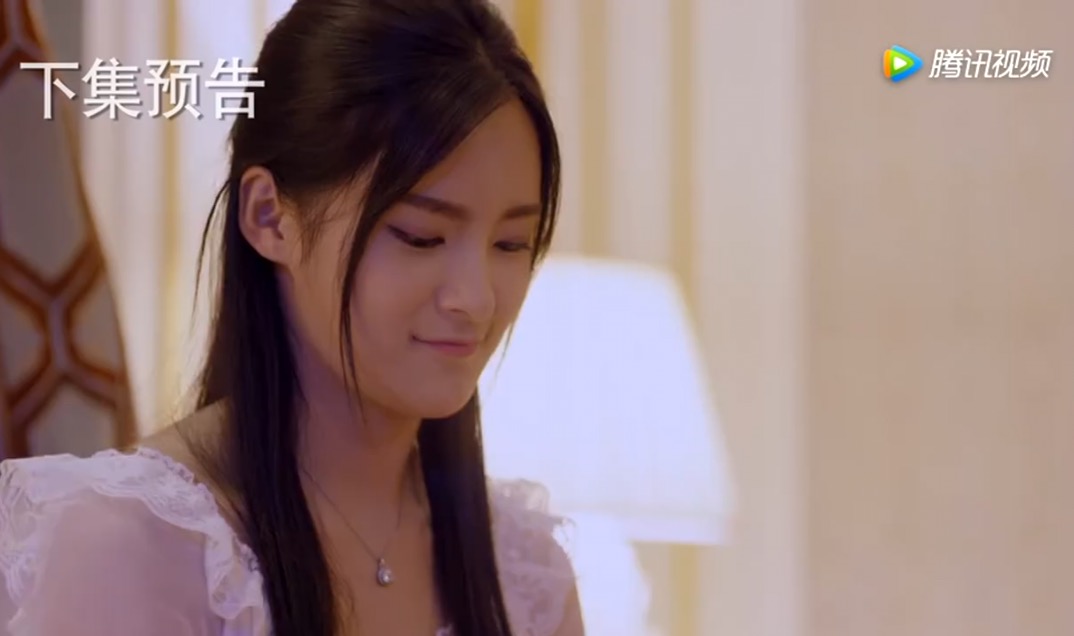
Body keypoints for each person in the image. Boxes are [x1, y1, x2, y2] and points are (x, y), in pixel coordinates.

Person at [0, 0, 584, 634]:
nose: (476, 298)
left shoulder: (524, 571)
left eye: (510, 244)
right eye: (421, 237)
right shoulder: (138, 544)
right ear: (269, 217)